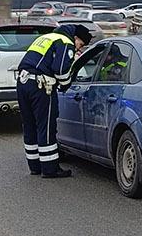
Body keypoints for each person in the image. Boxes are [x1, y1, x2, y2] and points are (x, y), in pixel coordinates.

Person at [15, 23, 91, 178]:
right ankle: (50, 169)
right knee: (46, 126)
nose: (78, 49)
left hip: (23, 84)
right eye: (80, 44)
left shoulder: (46, 37)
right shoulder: (65, 42)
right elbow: (61, 69)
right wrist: (65, 84)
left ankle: (35, 166)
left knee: (30, 125)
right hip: (41, 86)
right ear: (76, 37)